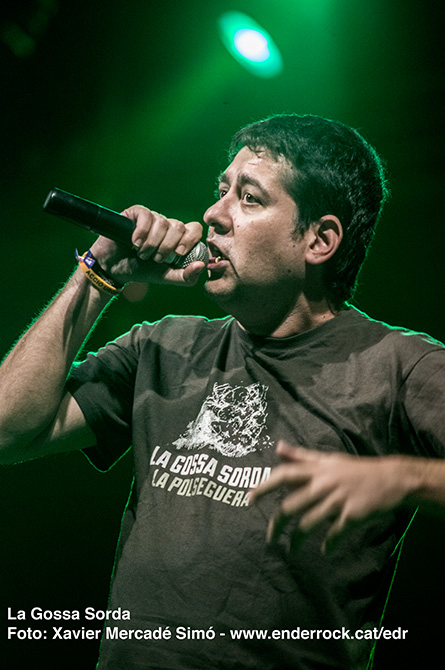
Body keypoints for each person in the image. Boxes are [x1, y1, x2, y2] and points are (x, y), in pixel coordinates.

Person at [1, 113, 445, 670]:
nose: (213, 214)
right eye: (221, 190)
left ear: (319, 240)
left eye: (249, 198)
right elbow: (7, 431)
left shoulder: (398, 365)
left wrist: (401, 477)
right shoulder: (163, 348)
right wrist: (99, 274)